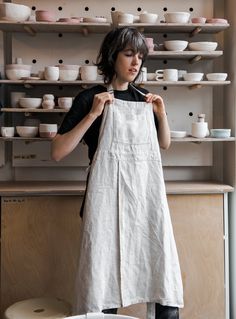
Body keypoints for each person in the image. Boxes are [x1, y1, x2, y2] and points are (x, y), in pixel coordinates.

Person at [52, 26, 183, 319]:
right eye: (128, 54)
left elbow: (164, 144)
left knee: (163, 283)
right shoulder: (90, 98)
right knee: (102, 286)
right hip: (105, 206)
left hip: (144, 203)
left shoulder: (146, 98)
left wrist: (161, 115)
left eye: (140, 56)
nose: (135, 62)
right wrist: (93, 115)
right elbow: (58, 151)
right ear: (112, 57)